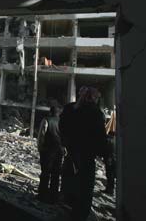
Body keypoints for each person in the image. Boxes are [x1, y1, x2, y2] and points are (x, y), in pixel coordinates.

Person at [60, 86, 107, 221]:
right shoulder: (95, 112)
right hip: (86, 158)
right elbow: (100, 137)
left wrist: (66, 143)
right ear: (94, 98)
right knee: (85, 190)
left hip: (72, 155)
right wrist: (103, 153)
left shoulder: (69, 108)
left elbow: (61, 127)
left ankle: (68, 208)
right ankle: (79, 215)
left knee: (69, 185)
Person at [37, 106, 63, 204]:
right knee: (56, 174)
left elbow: (41, 135)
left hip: (47, 150)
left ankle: (42, 195)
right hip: (59, 151)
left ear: (50, 112)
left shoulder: (46, 120)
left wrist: (40, 148)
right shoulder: (62, 122)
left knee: (45, 173)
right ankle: (53, 197)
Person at [103, 109, 116, 195]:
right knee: (111, 174)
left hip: (110, 158)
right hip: (112, 157)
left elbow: (108, 150)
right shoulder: (115, 139)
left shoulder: (109, 140)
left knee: (110, 174)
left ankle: (110, 189)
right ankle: (110, 188)